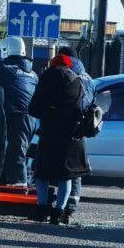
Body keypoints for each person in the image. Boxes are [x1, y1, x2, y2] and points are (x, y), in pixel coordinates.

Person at [28, 52, 89, 224]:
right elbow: (82, 108)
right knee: (65, 175)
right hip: (70, 135)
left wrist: (49, 112)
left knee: (42, 173)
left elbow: (33, 109)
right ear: (69, 66)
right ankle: (59, 211)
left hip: (48, 133)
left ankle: (41, 209)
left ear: (53, 65)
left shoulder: (46, 80)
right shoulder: (78, 82)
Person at [0, 35, 38, 185]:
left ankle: (18, 187)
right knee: (15, 151)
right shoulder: (32, 73)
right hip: (29, 118)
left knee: (15, 153)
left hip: (17, 116)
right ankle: (6, 183)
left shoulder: (5, 69)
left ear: (6, 50)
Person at [56, 44, 94, 220]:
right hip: (80, 130)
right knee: (76, 170)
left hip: (62, 126)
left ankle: (57, 207)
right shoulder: (88, 78)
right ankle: (70, 209)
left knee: (55, 166)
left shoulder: (66, 75)